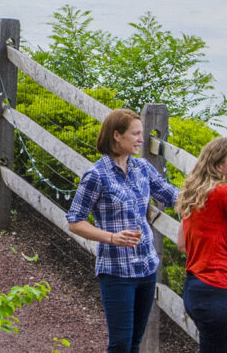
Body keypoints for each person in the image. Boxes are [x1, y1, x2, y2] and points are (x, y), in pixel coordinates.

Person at [66, 108, 179, 353]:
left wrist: (216, 192)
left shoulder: (142, 168)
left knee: (135, 343)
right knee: (120, 344)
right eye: (136, 134)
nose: (141, 139)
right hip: (116, 271)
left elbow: (172, 197)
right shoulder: (96, 176)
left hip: (147, 267)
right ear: (117, 135)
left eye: (142, 133)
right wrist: (111, 237)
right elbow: (74, 221)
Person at [175, 136, 227, 353]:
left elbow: (182, 244)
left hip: (196, 289)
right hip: (222, 289)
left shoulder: (196, 193)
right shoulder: (225, 193)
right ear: (219, 165)